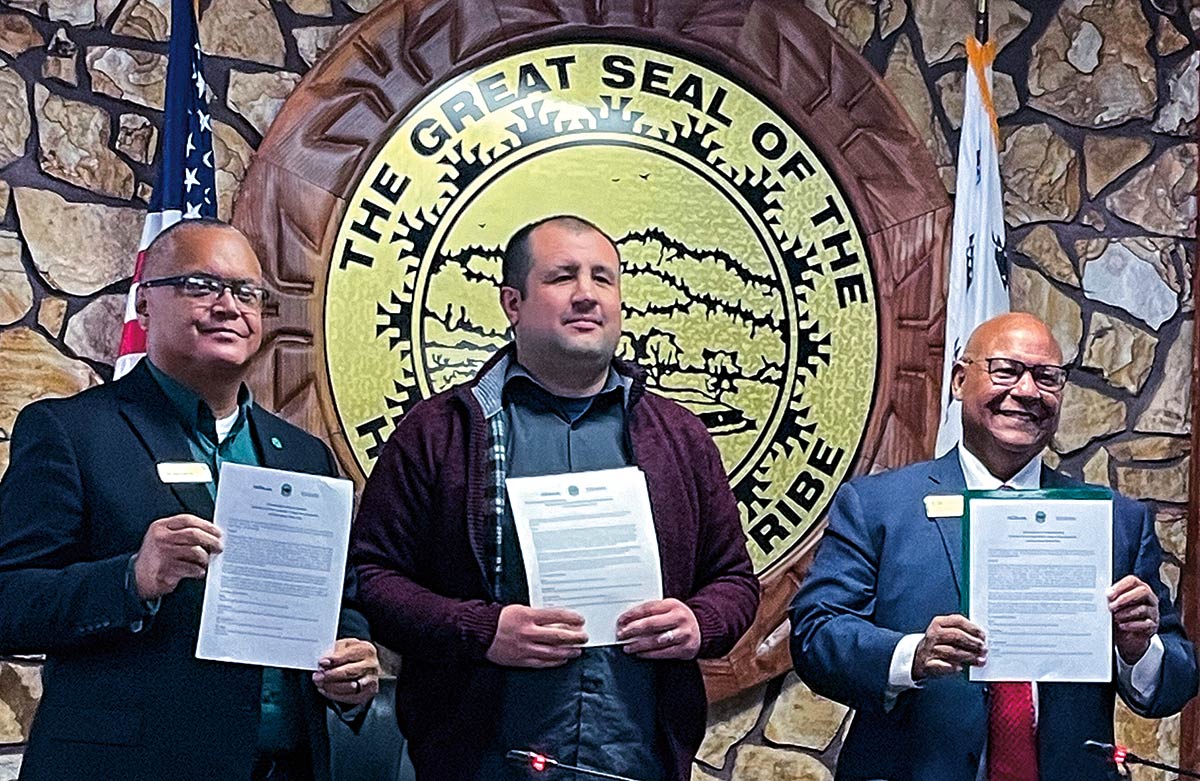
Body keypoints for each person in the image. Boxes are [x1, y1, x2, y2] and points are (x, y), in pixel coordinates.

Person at [350, 215, 760, 780]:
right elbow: (373, 577)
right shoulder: (439, 431)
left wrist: (699, 621)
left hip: (637, 759)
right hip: (480, 761)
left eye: (603, 278)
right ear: (512, 303)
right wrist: (483, 631)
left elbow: (735, 581)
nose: (587, 295)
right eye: (562, 277)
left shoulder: (679, 436)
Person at [0, 220, 380, 781]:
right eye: (201, 285)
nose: (229, 306)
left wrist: (353, 664)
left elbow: (337, 601)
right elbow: (9, 602)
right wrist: (131, 578)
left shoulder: (304, 455)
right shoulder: (71, 432)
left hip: (286, 768)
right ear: (145, 303)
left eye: (247, 292)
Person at [789, 312, 1198, 780]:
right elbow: (815, 635)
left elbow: (1175, 681)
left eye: (1047, 378)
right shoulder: (877, 506)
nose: (1027, 391)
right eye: (1005, 370)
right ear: (960, 381)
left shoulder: (1114, 519)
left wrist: (1138, 649)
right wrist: (912, 655)